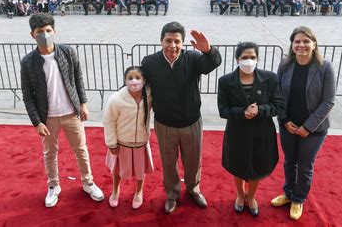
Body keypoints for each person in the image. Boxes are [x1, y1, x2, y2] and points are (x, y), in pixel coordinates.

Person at [20, 14, 104, 208]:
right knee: (50, 153)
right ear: (32, 34)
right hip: (47, 117)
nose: (45, 34)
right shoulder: (28, 62)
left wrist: (83, 103)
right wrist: (36, 122)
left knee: (81, 150)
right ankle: (53, 186)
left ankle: (88, 182)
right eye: (40, 32)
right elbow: (27, 95)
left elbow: (78, 79)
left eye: (48, 30)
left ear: (54, 31)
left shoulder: (67, 52)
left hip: (71, 112)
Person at [141, 22, 222, 214]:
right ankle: (172, 194)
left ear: (183, 43)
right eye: (168, 40)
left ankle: (193, 189)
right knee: (169, 163)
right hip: (164, 123)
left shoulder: (193, 58)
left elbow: (213, 63)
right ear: (161, 41)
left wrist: (209, 51)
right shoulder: (150, 62)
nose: (172, 45)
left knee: (193, 161)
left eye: (177, 41)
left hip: (191, 121)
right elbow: (138, 83)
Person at [271, 26, 335, 220]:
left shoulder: (325, 67)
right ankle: (288, 193)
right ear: (292, 45)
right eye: (297, 41)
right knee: (290, 162)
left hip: (314, 129)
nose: (301, 45)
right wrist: (284, 119)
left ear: (314, 44)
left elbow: (328, 101)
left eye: (306, 41)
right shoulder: (284, 65)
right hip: (288, 125)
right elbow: (278, 95)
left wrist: (308, 127)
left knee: (305, 165)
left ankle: (298, 199)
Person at [218, 42, 284, 216]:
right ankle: (240, 195)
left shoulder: (270, 78)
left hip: (262, 132)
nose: (249, 61)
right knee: (238, 165)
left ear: (258, 58)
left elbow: (278, 105)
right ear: (237, 59)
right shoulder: (225, 81)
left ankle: (252, 196)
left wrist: (260, 110)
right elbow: (223, 110)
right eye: (244, 57)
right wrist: (242, 113)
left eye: (252, 57)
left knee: (258, 165)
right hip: (237, 132)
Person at [102, 66, 154, 209]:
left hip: (141, 142)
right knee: (117, 170)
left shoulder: (149, 95)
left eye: (138, 77)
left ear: (144, 80)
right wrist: (111, 143)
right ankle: (115, 190)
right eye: (130, 78)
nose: (134, 81)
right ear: (125, 80)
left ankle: (139, 192)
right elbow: (108, 121)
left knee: (140, 170)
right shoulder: (116, 98)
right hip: (121, 142)